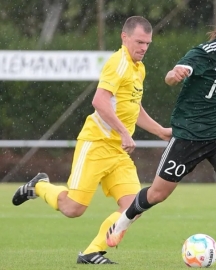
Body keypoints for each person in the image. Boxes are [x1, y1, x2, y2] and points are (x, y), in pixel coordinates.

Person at [106, 8, 216, 269]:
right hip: (189, 136)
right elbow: (172, 75)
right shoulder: (202, 54)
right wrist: (173, 76)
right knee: (157, 194)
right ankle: (124, 221)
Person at [11, 16, 171, 264]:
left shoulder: (139, 68)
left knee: (134, 207)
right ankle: (38, 187)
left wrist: (160, 130)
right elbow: (99, 101)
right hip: (96, 144)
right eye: (139, 42)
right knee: (73, 209)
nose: (144, 48)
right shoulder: (118, 63)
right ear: (124, 37)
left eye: (148, 43)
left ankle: (91, 252)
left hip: (118, 152)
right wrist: (124, 132)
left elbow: (133, 107)